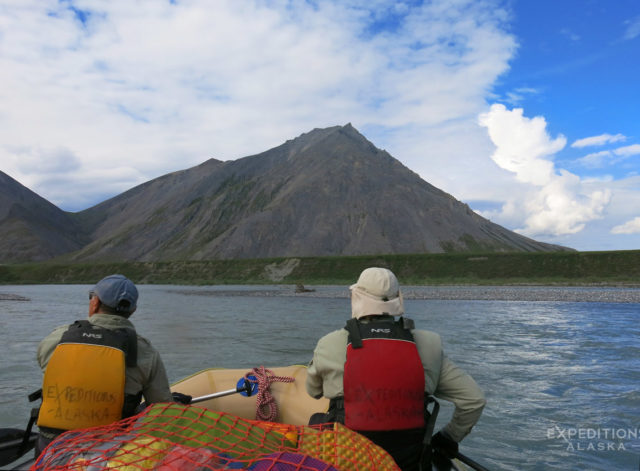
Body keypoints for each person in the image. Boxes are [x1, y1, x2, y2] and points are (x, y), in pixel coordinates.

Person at [305, 267, 486, 470]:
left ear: (356, 297)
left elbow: (312, 391)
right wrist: (448, 437)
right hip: (410, 463)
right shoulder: (429, 344)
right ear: (398, 299)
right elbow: (474, 400)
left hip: (346, 461)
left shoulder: (330, 343)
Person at [34, 274, 173, 456]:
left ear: (95, 303)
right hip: (107, 453)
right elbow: (162, 408)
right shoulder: (146, 352)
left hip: (51, 449)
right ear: (132, 310)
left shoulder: (56, 339)